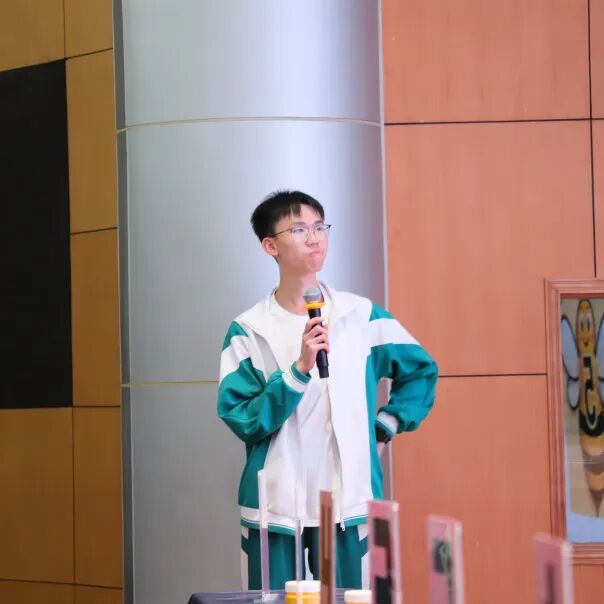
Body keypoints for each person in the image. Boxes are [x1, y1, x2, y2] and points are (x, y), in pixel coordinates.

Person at [217, 190, 438, 590]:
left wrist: (384, 427)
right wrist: (299, 371)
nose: (315, 238)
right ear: (270, 246)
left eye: (320, 227)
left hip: (348, 501)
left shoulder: (360, 315)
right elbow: (242, 417)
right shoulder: (248, 329)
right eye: (299, 230)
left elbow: (421, 371)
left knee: (354, 598)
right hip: (274, 507)